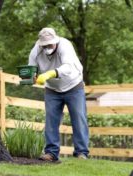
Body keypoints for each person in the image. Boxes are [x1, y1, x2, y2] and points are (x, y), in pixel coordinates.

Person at [28, 27, 89, 161]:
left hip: (74, 85)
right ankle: (51, 153)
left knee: (79, 118)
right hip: (52, 89)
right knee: (51, 121)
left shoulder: (65, 45)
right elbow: (31, 68)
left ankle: (81, 152)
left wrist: (50, 73)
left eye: (50, 44)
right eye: (44, 45)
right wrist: (32, 76)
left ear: (55, 41)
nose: (47, 47)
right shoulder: (36, 50)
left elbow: (68, 67)